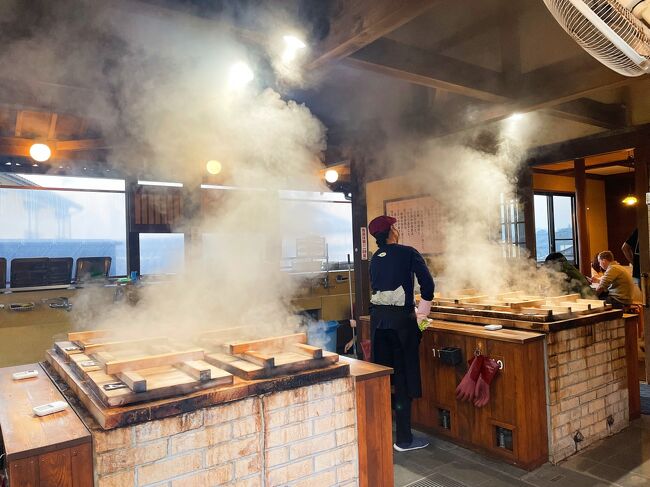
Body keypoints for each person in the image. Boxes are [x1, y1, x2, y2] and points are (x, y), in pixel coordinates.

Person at [367, 215, 435, 452]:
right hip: (402, 326)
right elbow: (428, 286)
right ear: (392, 231)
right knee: (404, 378)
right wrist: (422, 316)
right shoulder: (408, 252)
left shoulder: (374, 258)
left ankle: (381, 433)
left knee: (385, 378)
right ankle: (404, 439)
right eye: (395, 227)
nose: (397, 230)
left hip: (378, 325)